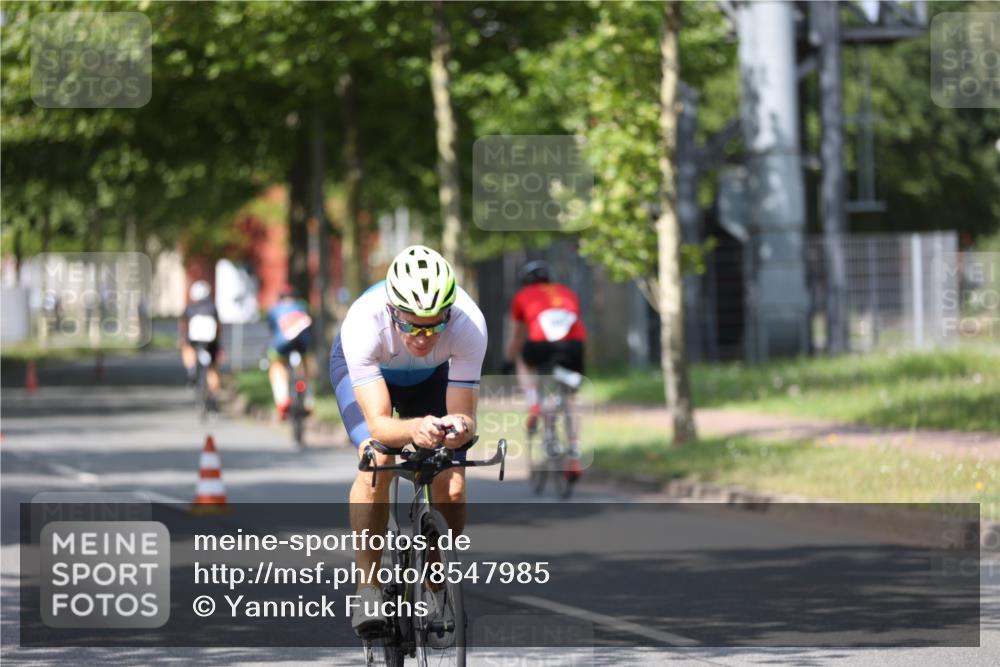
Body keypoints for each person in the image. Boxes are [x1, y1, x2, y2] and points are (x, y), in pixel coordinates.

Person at [330, 245, 486, 636]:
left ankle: (436, 585)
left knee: (451, 482)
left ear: (449, 313)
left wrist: (459, 428)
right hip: (369, 373)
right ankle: (368, 588)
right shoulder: (364, 322)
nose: (422, 337)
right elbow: (380, 424)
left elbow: (464, 414)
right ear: (391, 310)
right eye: (412, 325)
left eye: (434, 326)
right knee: (376, 459)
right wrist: (414, 430)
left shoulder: (469, 324)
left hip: (431, 377)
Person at [504, 260, 587, 474]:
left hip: (541, 345)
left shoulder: (522, 295)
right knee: (570, 398)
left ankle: (533, 402)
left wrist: (508, 360)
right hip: (573, 347)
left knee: (523, 359)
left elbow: (517, 336)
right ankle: (575, 456)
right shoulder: (567, 292)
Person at [266, 285, 314, 419]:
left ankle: (282, 399)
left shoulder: (274, 309)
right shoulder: (303, 306)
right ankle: (308, 401)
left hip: (281, 345)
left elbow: (272, 329)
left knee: (276, 366)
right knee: (305, 369)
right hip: (302, 345)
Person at [179, 280, 222, 397]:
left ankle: (191, 371)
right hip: (211, 342)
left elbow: (183, 325)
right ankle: (215, 394)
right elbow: (218, 326)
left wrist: (183, 340)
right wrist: (218, 343)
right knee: (213, 367)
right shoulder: (213, 308)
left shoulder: (190, 308)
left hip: (194, 341)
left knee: (187, 350)